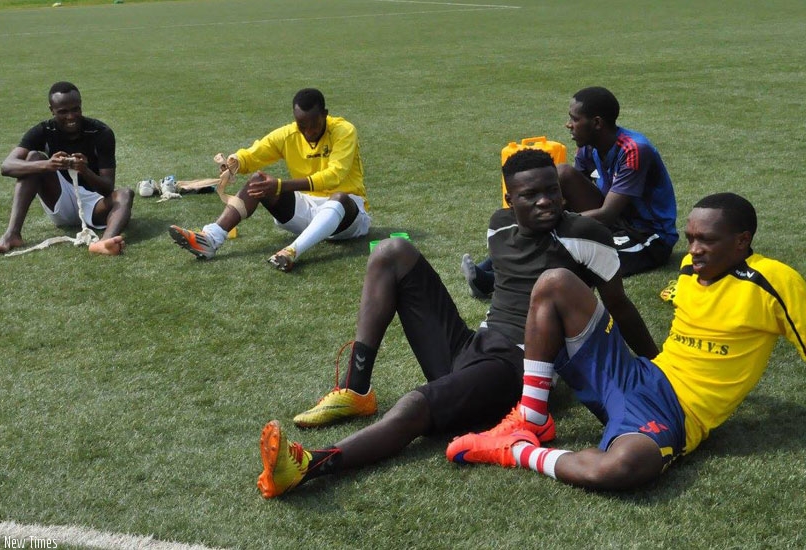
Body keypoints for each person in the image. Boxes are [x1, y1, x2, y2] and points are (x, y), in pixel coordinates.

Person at [254, 148, 658, 498]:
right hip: (474, 346)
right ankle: (356, 389)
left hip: (517, 370)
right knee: (392, 251)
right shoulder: (498, 226)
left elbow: (619, 307)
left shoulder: (587, 234)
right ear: (509, 198)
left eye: (552, 190)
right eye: (530, 195)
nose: (545, 202)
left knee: (415, 404)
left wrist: (659, 367)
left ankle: (310, 464)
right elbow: (507, 283)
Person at [447, 193, 806, 490]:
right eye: (690, 238)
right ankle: (532, 417)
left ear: (742, 241)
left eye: (706, 240)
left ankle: (516, 450)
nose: (694, 250)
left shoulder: (773, 281)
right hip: (638, 376)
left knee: (620, 469)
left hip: (676, 413)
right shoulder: (689, 269)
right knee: (555, 281)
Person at [461, 86, 677, 297]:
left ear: (597, 123)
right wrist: (539, 220)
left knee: (575, 254)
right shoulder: (588, 146)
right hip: (616, 222)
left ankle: (493, 282)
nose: (568, 124)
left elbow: (607, 214)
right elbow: (567, 194)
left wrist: (556, 225)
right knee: (562, 174)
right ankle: (491, 267)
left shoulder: (634, 150)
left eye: (574, 119)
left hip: (646, 236)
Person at [168, 88, 369, 272]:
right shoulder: (289, 135)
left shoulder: (344, 131)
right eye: (302, 126)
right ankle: (211, 238)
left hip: (348, 219)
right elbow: (256, 153)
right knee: (258, 180)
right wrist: (235, 162)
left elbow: (334, 176)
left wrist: (280, 185)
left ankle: (292, 251)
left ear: (325, 114)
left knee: (340, 197)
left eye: (314, 125)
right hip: (307, 212)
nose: (308, 132)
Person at [0, 81, 132, 256]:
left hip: (94, 203)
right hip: (59, 198)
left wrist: (84, 170)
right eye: (63, 112)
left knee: (125, 194)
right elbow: (6, 166)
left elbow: (108, 188)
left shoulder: (101, 132)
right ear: (52, 110)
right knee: (34, 157)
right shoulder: (44, 130)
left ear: (81, 106)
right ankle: (12, 234)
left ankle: (104, 243)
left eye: (75, 109)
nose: (71, 117)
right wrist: (47, 164)